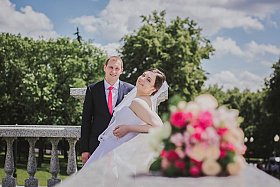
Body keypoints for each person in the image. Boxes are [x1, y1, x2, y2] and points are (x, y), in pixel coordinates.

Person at [81, 68, 168, 172]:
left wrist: (128, 128)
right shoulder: (143, 100)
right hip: (113, 149)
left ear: (153, 89)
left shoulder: (138, 102)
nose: (142, 79)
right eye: (143, 75)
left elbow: (159, 127)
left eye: (148, 80)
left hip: (117, 150)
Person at [80, 56, 134, 164]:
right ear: (105, 68)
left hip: (120, 143)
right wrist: (84, 149)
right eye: (110, 67)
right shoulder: (92, 89)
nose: (113, 71)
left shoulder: (130, 90)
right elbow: (86, 120)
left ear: (121, 71)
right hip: (96, 144)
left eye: (117, 68)